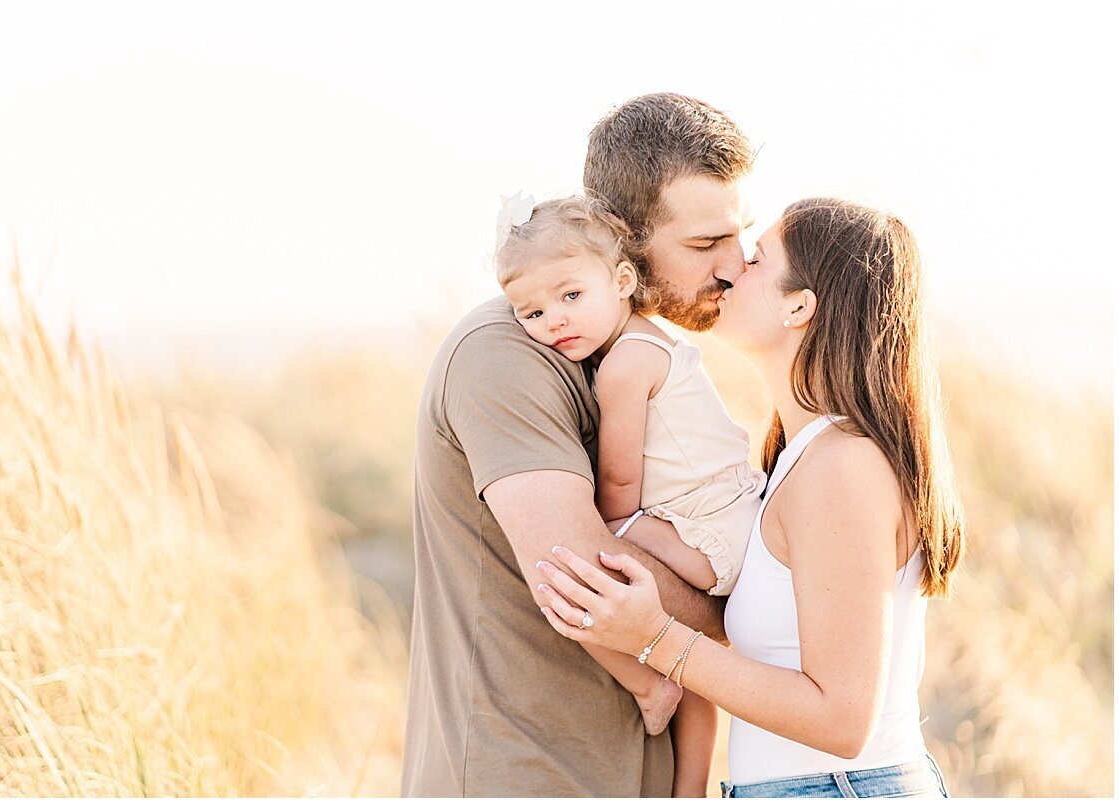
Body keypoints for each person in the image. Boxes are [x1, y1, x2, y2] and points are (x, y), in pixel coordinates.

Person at [535, 198, 965, 798]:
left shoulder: (841, 466)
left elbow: (840, 718)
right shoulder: (801, 453)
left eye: (757, 257)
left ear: (798, 306)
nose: (731, 267)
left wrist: (654, 637)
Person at [401, 92, 754, 796]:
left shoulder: (637, 357)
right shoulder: (504, 357)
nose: (735, 266)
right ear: (623, 239)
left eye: (738, 237)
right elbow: (585, 566)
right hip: (526, 776)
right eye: (705, 244)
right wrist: (745, 610)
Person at [495, 194, 766, 795]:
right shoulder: (648, 338)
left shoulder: (622, 366)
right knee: (696, 662)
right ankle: (689, 789)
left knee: (568, 571)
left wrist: (608, 525)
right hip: (730, 521)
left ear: (621, 281)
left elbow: (619, 485)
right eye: (531, 312)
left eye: (570, 297)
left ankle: (648, 683)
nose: (555, 321)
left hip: (708, 534)